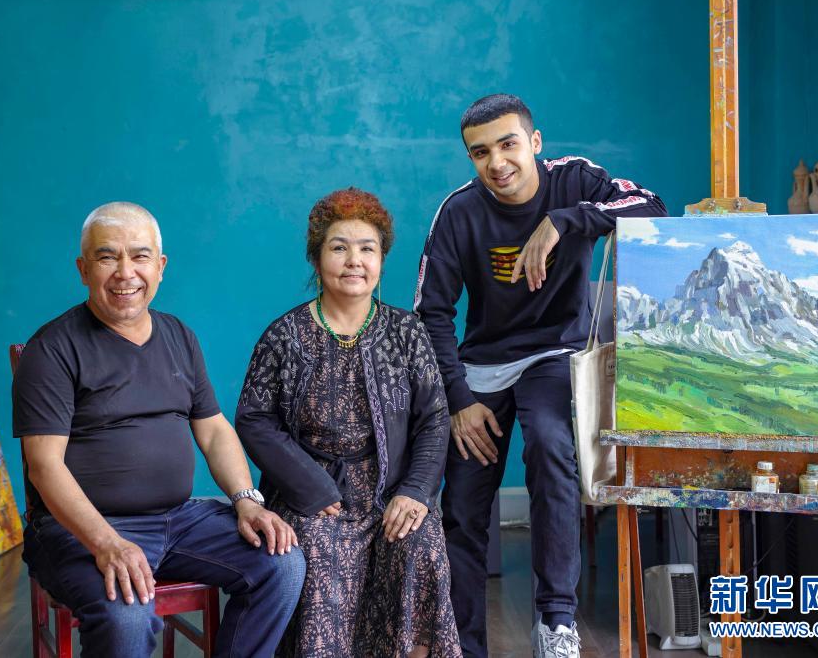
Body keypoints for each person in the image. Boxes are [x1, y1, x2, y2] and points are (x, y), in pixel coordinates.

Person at [413, 94, 667, 658]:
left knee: (551, 447)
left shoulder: (574, 181)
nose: (497, 162)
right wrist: (457, 398)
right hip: (482, 366)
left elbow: (653, 207)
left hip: (554, 353)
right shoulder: (458, 211)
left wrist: (564, 221)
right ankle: (462, 643)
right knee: (462, 506)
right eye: (480, 152)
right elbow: (431, 313)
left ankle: (556, 623)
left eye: (508, 145)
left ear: (534, 142)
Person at [13, 201, 305, 658]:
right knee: (127, 615)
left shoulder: (179, 336)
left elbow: (213, 430)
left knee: (281, 564)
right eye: (107, 257)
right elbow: (44, 466)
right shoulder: (52, 348)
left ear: (160, 267)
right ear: (83, 269)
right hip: (84, 527)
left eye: (140, 256)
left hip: (180, 519)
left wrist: (246, 501)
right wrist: (107, 543)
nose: (125, 272)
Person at [236, 188, 462, 657]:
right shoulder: (284, 336)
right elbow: (255, 420)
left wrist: (415, 491)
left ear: (381, 260)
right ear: (317, 258)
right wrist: (310, 487)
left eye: (367, 249)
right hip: (313, 495)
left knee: (420, 541)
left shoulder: (406, 332)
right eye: (339, 247)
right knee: (314, 547)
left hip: (390, 490)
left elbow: (434, 418)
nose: (354, 260)